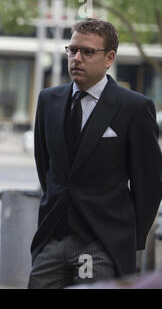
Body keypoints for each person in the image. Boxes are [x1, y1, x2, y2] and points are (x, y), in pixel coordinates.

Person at [28, 18, 162, 289]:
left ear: (109, 57)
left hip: (102, 242)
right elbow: (47, 167)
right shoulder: (48, 100)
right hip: (53, 235)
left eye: (87, 52)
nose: (77, 58)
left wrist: (127, 239)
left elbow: (148, 184)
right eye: (72, 50)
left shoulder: (134, 108)